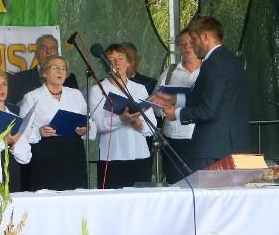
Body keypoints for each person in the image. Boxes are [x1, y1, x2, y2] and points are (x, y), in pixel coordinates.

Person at [156, 16, 250, 171]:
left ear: (205, 36)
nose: (192, 45)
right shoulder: (232, 61)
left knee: (205, 187)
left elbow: (208, 110)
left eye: (193, 39)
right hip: (234, 145)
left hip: (213, 149)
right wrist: (175, 98)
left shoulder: (213, 63)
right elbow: (212, 98)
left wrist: (177, 114)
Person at [19, 55, 94, 190]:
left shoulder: (75, 94)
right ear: (44, 72)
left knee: (76, 195)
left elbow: (89, 121)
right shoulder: (32, 97)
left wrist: (86, 128)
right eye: (55, 68)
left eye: (63, 68)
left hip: (74, 153)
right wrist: (39, 132)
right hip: (46, 155)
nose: (60, 71)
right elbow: (21, 132)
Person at [89, 44, 155, 188]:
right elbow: (97, 125)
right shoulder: (98, 89)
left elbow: (152, 124)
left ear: (128, 62)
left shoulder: (139, 88)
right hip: (112, 157)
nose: (117, 63)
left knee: (141, 199)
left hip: (140, 155)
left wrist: (140, 125)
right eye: (111, 59)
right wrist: (121, 119)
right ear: (105, 65)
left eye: (121, 58)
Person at [154, 29, 201, 183]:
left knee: (201, 185)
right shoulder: (170, 72)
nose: (187, 47)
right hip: (173, 140)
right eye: (182, 44)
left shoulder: (207, 70)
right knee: (175, 184)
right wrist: (163, 106)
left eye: (191, 43)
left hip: (200, 138)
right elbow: (155, 104)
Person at [8, 34, 78, 105]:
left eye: (52, 48)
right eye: (44, 48)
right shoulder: (19, 79)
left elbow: (77, 106)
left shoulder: (69, 79)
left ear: (57, 53)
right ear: (36, 54)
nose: (48, 52)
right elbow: (13, 108)